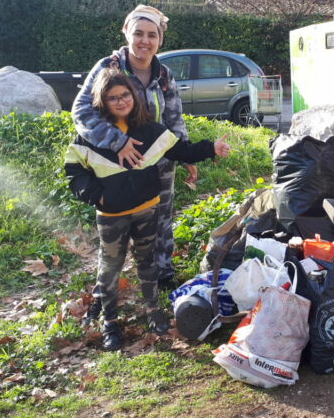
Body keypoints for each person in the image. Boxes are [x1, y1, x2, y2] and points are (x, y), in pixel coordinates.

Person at [65, 69, 230, 350]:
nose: (120, 101)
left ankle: (153, 312)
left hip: (146, 210)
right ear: (101, 101)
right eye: (112, 97)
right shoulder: (92, 136)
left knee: (148, 262)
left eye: (125, 95)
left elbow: (182, 151)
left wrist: (211, 148)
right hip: (111, 216)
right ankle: (110, 322)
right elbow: (74, 173)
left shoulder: (151, 131)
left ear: (134, 96)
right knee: (110, 267)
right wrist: (98, 197)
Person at [72, 5, 194, 308]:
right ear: (126, 33)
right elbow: (81, 111)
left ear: (160, 40)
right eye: (138, 33)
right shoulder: (108, 67)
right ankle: (106, 291)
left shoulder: (164, 74)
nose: (145, 40)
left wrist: (187, 153)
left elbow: (174, 119)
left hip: (158, 162)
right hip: (115, 164)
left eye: (152, 35)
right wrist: (117, 141)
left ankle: (161, 275)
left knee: (161, 218)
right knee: (117, 226)